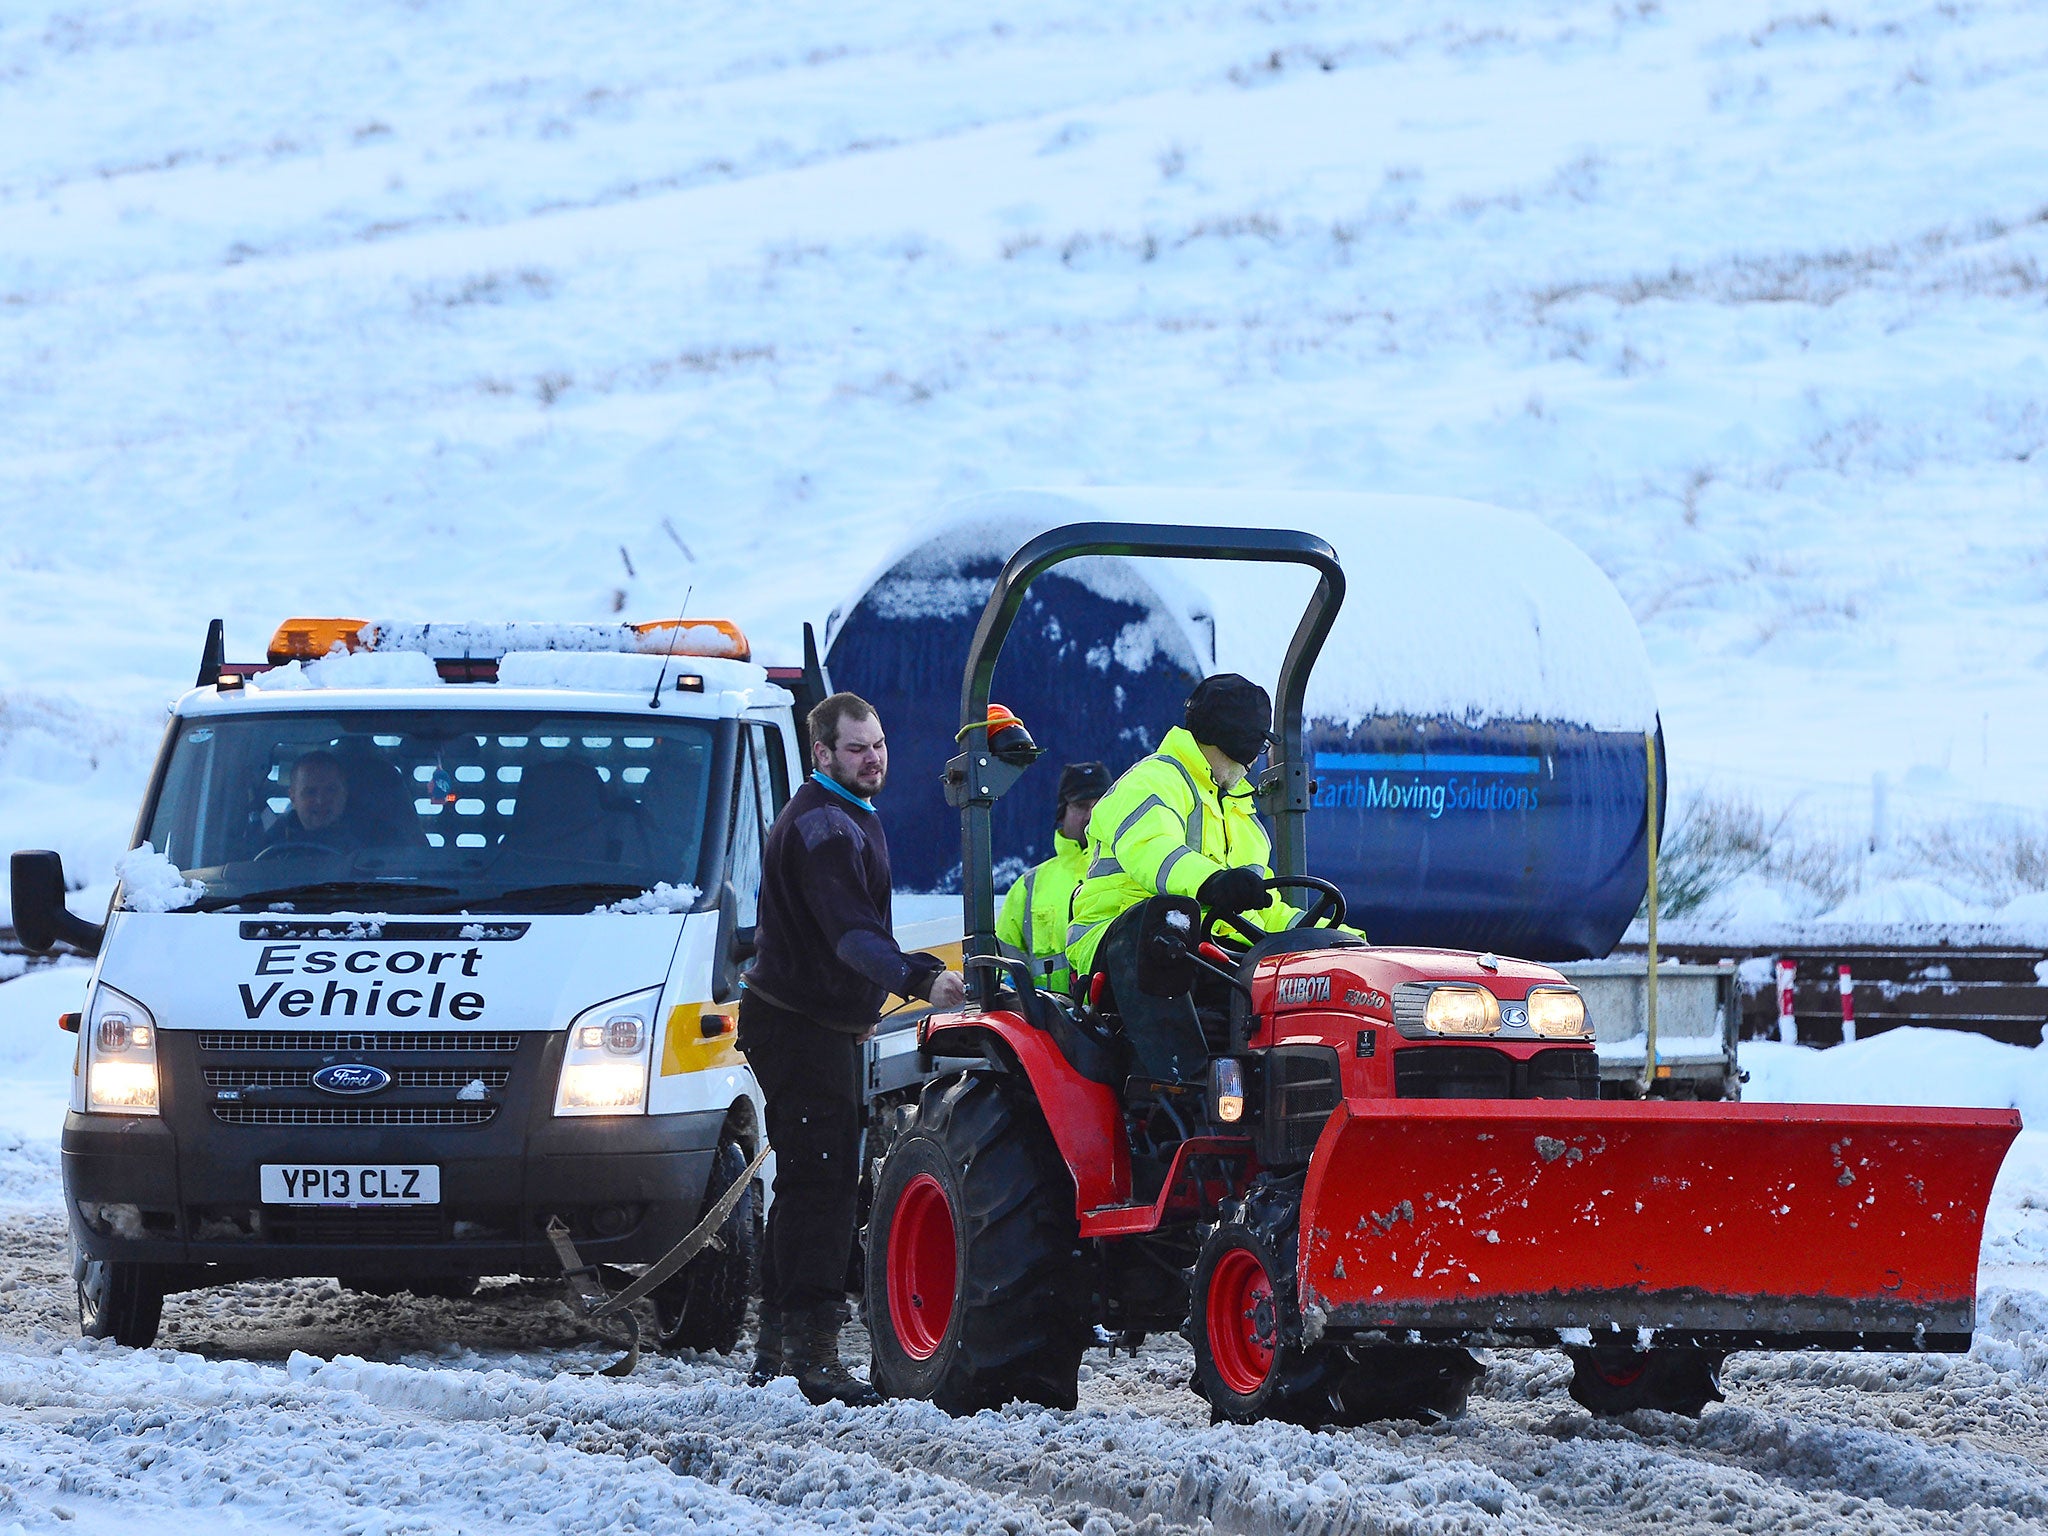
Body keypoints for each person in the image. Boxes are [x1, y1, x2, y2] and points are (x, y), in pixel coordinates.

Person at [738, 691, 966, 1406]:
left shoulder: (840, 814)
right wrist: (924, 979)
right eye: (857, 748)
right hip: (799, 1029)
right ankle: (813, 1359)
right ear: (823, 754)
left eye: (879, 744)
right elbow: (852, 937)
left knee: (809, 1183)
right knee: (824, 1188)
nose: (874, 758)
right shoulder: (828, 829)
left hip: (808, 1025)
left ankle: (776, 1351)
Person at [1065, 674, 1308, 1085]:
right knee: (1166, 919)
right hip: (1122, 943)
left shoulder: (1243, 817)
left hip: (1200, 947)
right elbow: (1152, 850)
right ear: (1236, 740)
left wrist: (1333, 937)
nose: (1256, 760)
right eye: (1257, 746)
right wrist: (1212, 882)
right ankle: (1183, 1086)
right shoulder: (1153, 781)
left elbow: (1264, 910)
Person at [996, 761, 1112, 996]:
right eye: (1081, 805)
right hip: (1052, 1025)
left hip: (1125, 1023)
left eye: (1101, 804)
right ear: (1062, 812)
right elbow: (1003, 970)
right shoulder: (1028, 888)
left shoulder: (1135, 870)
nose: (1092, 814)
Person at [264, 751, 361, 852]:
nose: (320, 800)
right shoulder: (268, 842)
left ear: (344, 794)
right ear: (293, 798)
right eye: (310, 792)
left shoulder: (370, 841)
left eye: (330, 790)